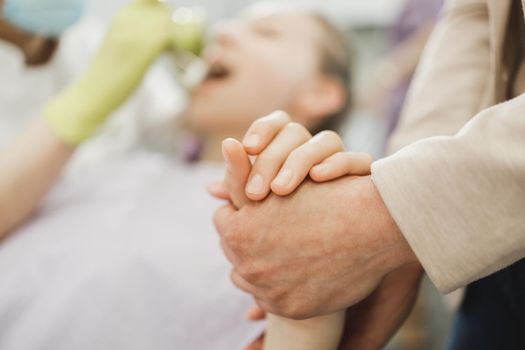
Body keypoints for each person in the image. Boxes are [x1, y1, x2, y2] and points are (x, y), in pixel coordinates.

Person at [0, 3, 356, 349]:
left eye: (266, 32)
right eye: (228, 23)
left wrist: (308, 323)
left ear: (320, 93)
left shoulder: (290, 235)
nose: (222, 32)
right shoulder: (115, 168)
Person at [213, 0, 525, 349]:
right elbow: (479, 16)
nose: (222, 32)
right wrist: (403, 216)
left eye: (266, 32)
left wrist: (394, 210)